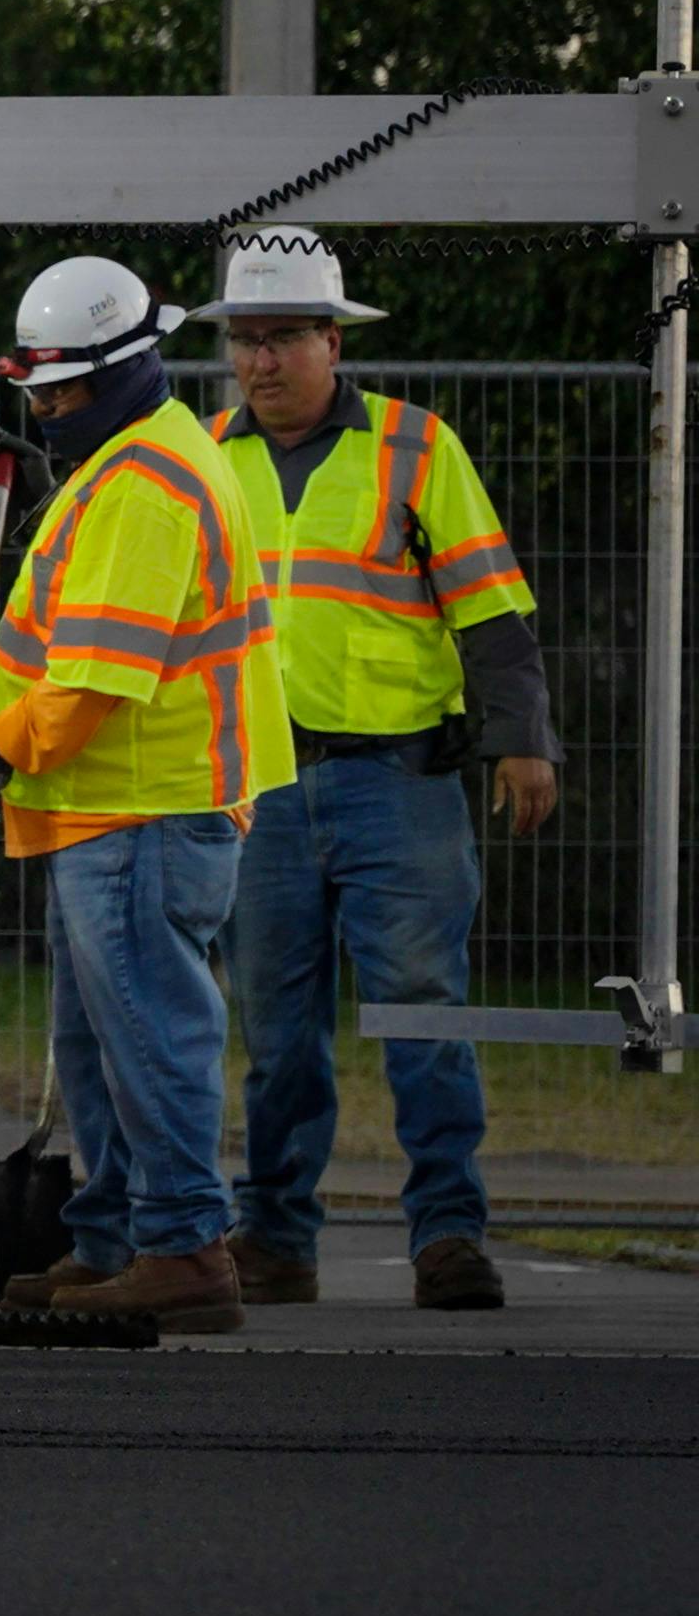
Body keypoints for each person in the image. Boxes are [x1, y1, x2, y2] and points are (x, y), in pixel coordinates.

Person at [197, 228, 553, 1312]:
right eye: (245, 340)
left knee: (424, 1014)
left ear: (333, 342)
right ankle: (275, 1238)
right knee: (277, 1034)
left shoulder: (415, 446)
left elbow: (490, 607)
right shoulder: (205, 456)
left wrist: (523, 737)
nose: (261, 361)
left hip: (398, 782)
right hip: (258, 790)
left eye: (283, 338)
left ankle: (448, 1236)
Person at [0, 257, 292, 1333]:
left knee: (149, 1035)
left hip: (143, 806)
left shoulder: (146, 482)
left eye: (61, 393)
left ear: (121, 373)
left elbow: (100, 673)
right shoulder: (128, 459)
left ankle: (184, 1248)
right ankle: (109, 1240)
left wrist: (0, 744)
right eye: (36, 393)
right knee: (100, 1044)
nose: (46, 411)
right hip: (107, 807)